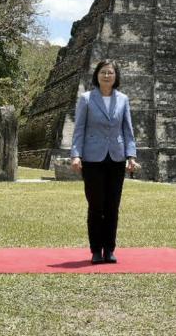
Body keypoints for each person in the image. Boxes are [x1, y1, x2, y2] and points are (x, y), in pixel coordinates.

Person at [70, 59, 139, 264]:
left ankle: (109, 249)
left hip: (116, 157)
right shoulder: (87, 99)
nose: (107, 76)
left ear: (116, 76)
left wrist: (131, 156)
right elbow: (79, 129)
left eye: (110, 72)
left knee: (112, 206)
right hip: (92, 158)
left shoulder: (123, 99)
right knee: (95, 205)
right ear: (97, 76)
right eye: (103, 72)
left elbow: (128, 130)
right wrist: (76, 155)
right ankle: (95, 250)